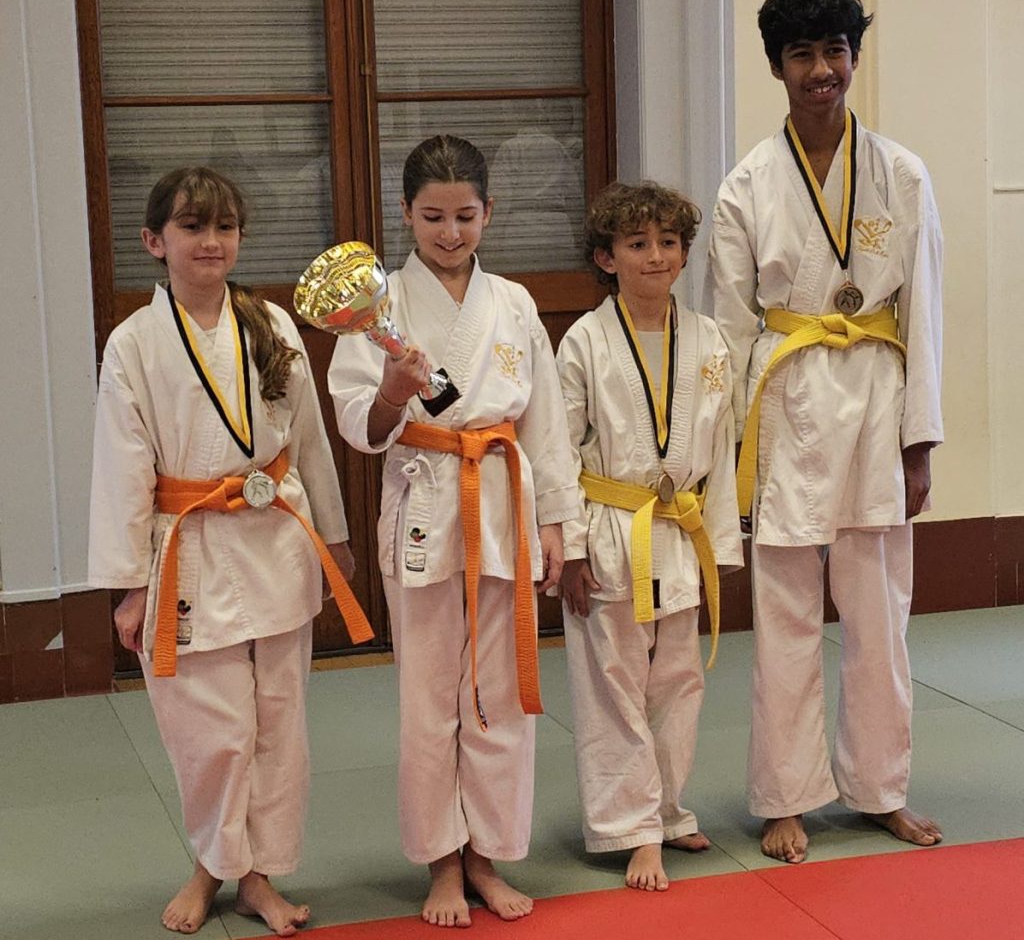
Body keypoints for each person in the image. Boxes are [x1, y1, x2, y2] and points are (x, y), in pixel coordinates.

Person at [89, 167, 372, 936]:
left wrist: (334, 538)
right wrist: (130, 584)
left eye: (224, 227)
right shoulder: (134, 343)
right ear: (155, 241)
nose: (210, 241)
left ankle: (257, 876)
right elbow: (122, 468)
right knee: (210, 733)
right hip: (189, 546)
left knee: (280, 723)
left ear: (241, 237)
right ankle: (214, 865)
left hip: (277, 534)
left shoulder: (271, 324)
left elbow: (308, 440)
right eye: (192, 227)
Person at [707, 0, 944, 864]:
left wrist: (921, 441)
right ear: (777, 66)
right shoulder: (746, 186)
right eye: (802, 54)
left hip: (878, 401)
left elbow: (925, 312)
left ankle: (881, 788)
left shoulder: (901, 174)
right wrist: (727, 448)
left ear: (854, 56)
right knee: (785, 616)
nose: (821, 70)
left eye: (835, 51)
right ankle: (786, 795)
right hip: (786, 401)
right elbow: (728, 331)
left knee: (880, 613)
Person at [329, 134, 580, 928]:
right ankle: (441, 861)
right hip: (426, 502)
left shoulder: (513, 303)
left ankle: (488, 856)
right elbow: (358, 427)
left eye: (465, 216)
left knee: (499, 696)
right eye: (433, 216)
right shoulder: (378, 308)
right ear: (406, 213)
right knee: (430, 698)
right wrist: (390, 393)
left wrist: (555, 523)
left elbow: (546, 426)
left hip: (502, 498)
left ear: (488, 213)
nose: (449, 232)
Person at [556, 181, 743, 891]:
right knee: (614, 685)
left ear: (685, 253)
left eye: (668, 242)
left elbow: (719, 449)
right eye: (637, 244)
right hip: (611, 529)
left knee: (678, 680)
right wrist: (570, 549)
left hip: (683, 530)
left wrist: (721, 544)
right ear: (606, 258)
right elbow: (558, 451)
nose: (655, 255)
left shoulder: (709, 339)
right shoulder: (584, 340)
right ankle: (631, 829)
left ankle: (667, 809)